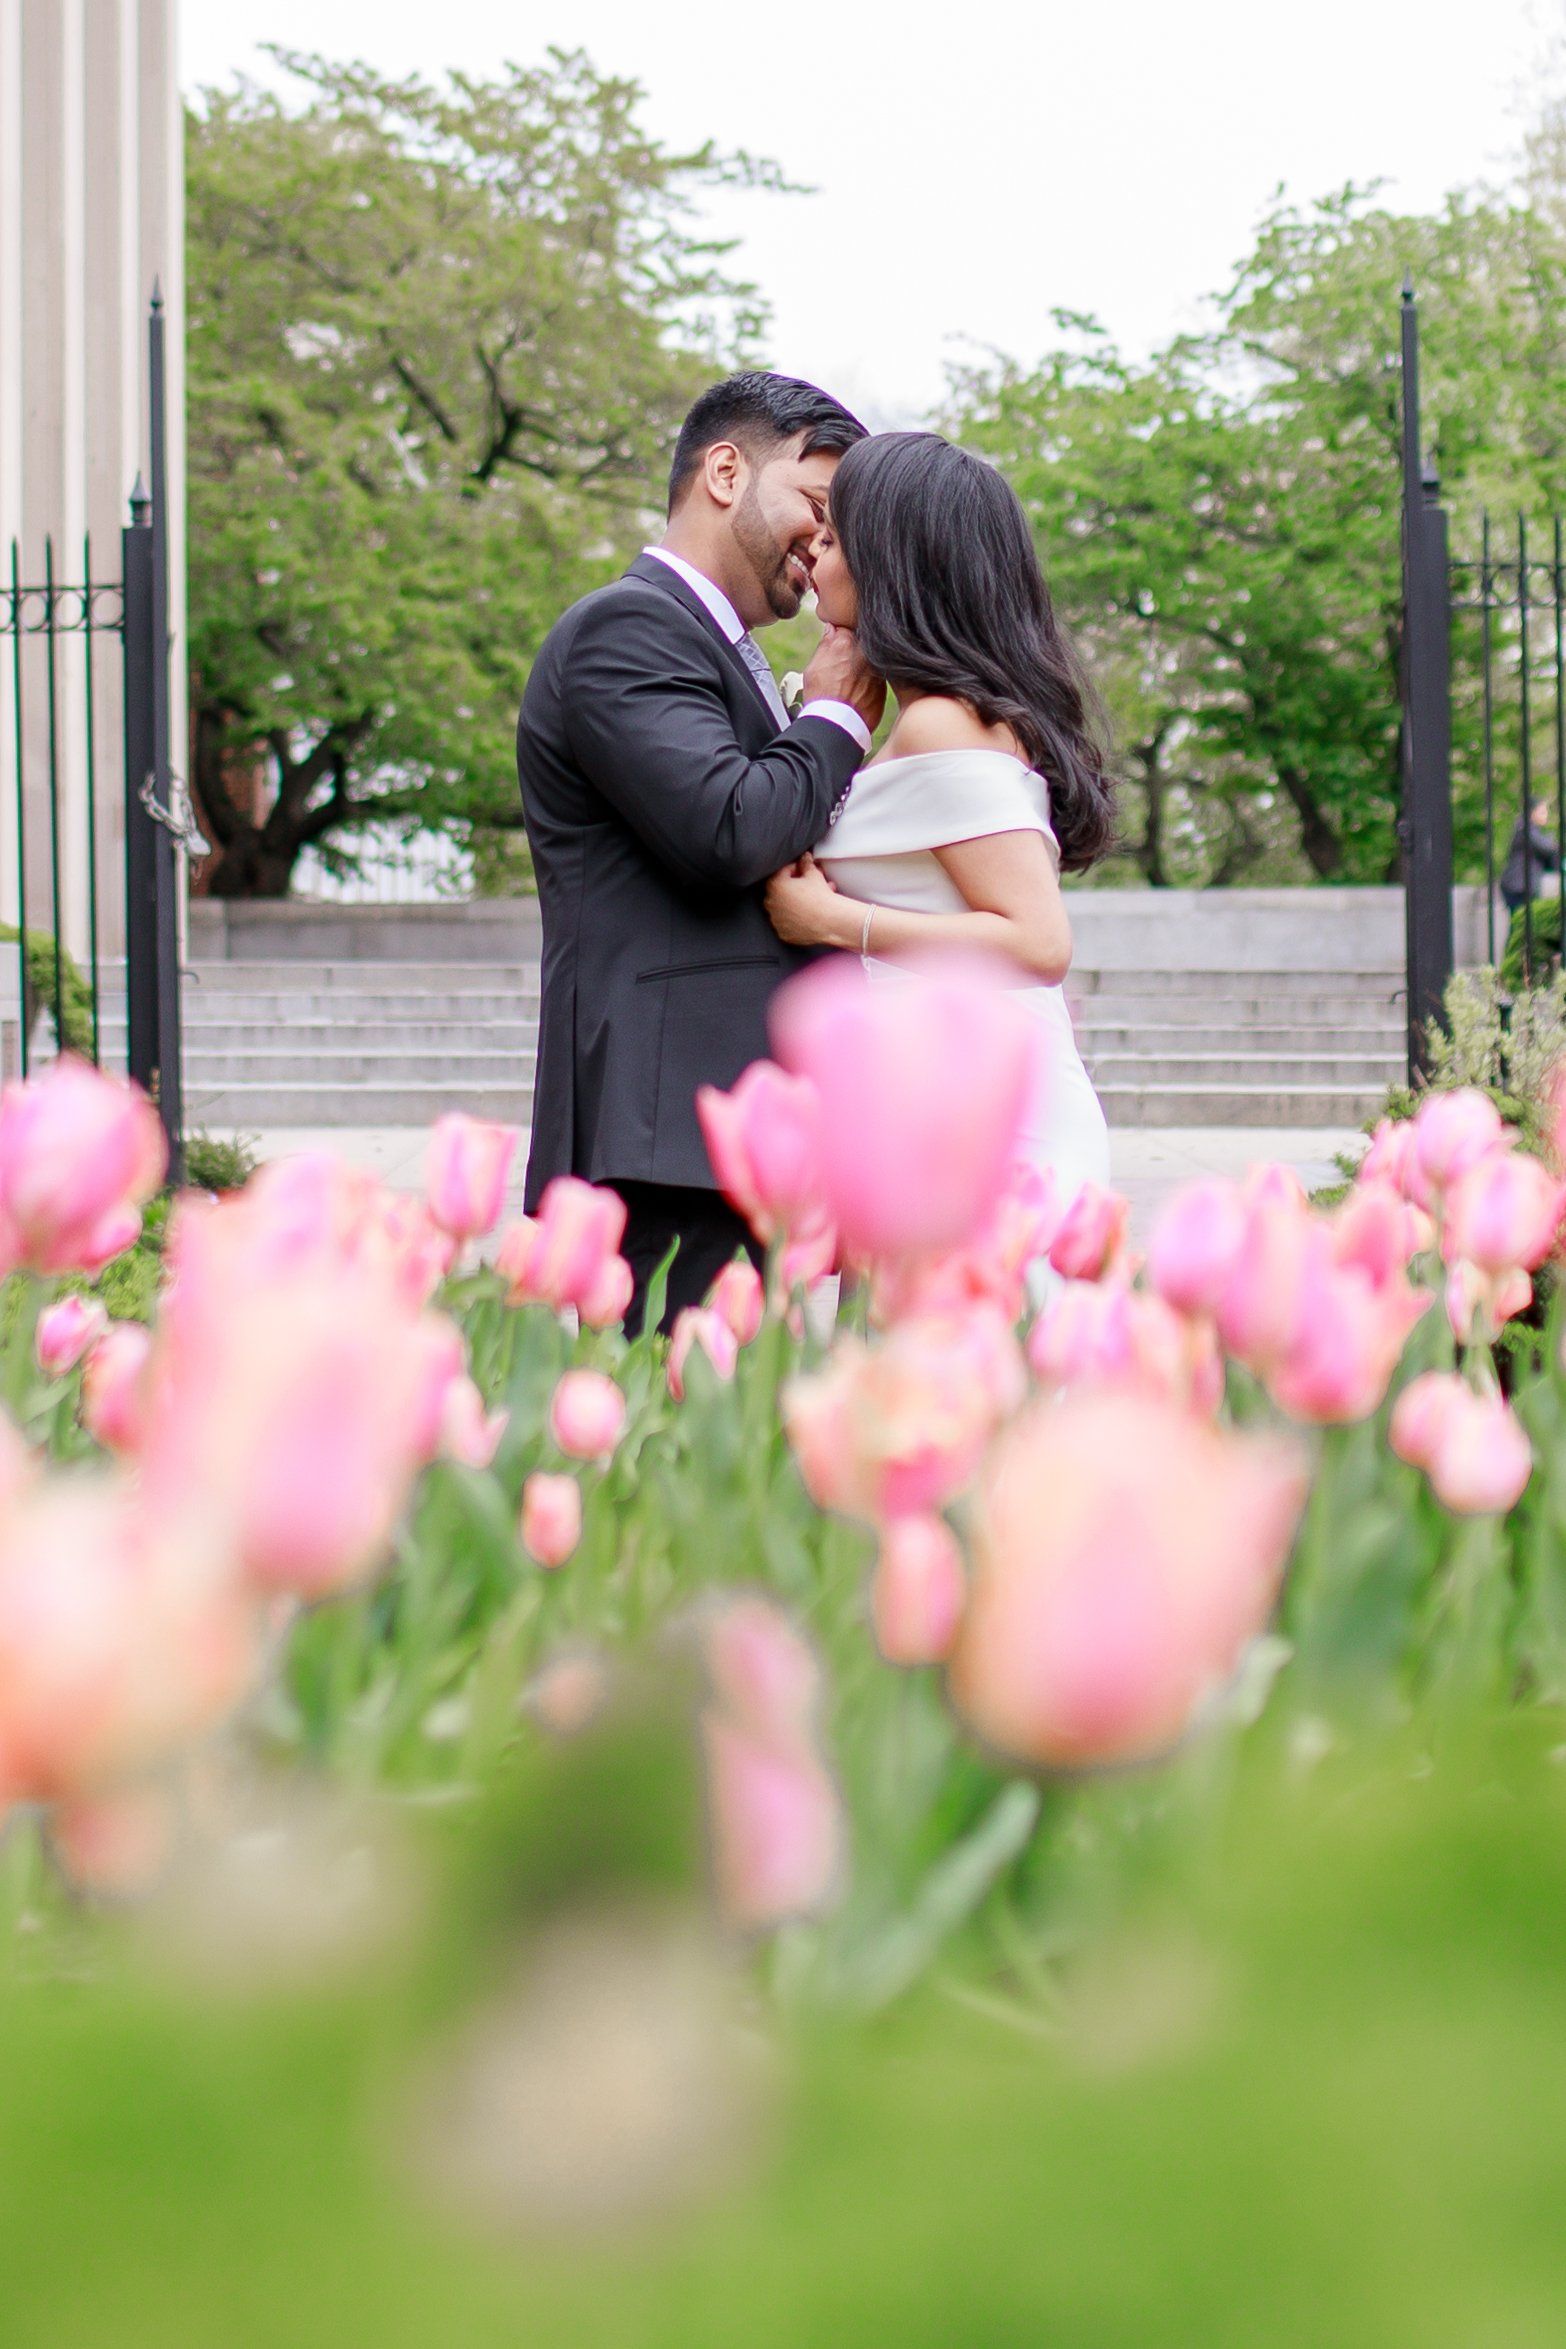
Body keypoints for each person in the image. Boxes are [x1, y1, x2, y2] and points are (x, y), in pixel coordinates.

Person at [516, 373, 883, 1335]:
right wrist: (837, 713)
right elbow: (730, 826)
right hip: (666, 1138)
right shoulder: (625, 628)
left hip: (724, 1138)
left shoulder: (719, 651)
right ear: (726, 470)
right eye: (816, 505)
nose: (823, 543)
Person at [764, 431, 1115, 1217]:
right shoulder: (931, 717)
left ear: (892, 560)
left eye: (831, 535)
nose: (812, 557)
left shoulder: (946, 725)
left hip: (999, 1132)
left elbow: (1039, 942)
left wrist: (830, 919)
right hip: (937, 1109)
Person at [1500, 798, 1561, 917]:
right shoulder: (1525, 828)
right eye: (1542, 812)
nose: (1546, 815)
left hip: (1522, 886)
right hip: (1518, 886)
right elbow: (1547, 847)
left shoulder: (1531, 830)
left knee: (1522, 925)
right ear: (1532, 813)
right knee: (1522, 925)